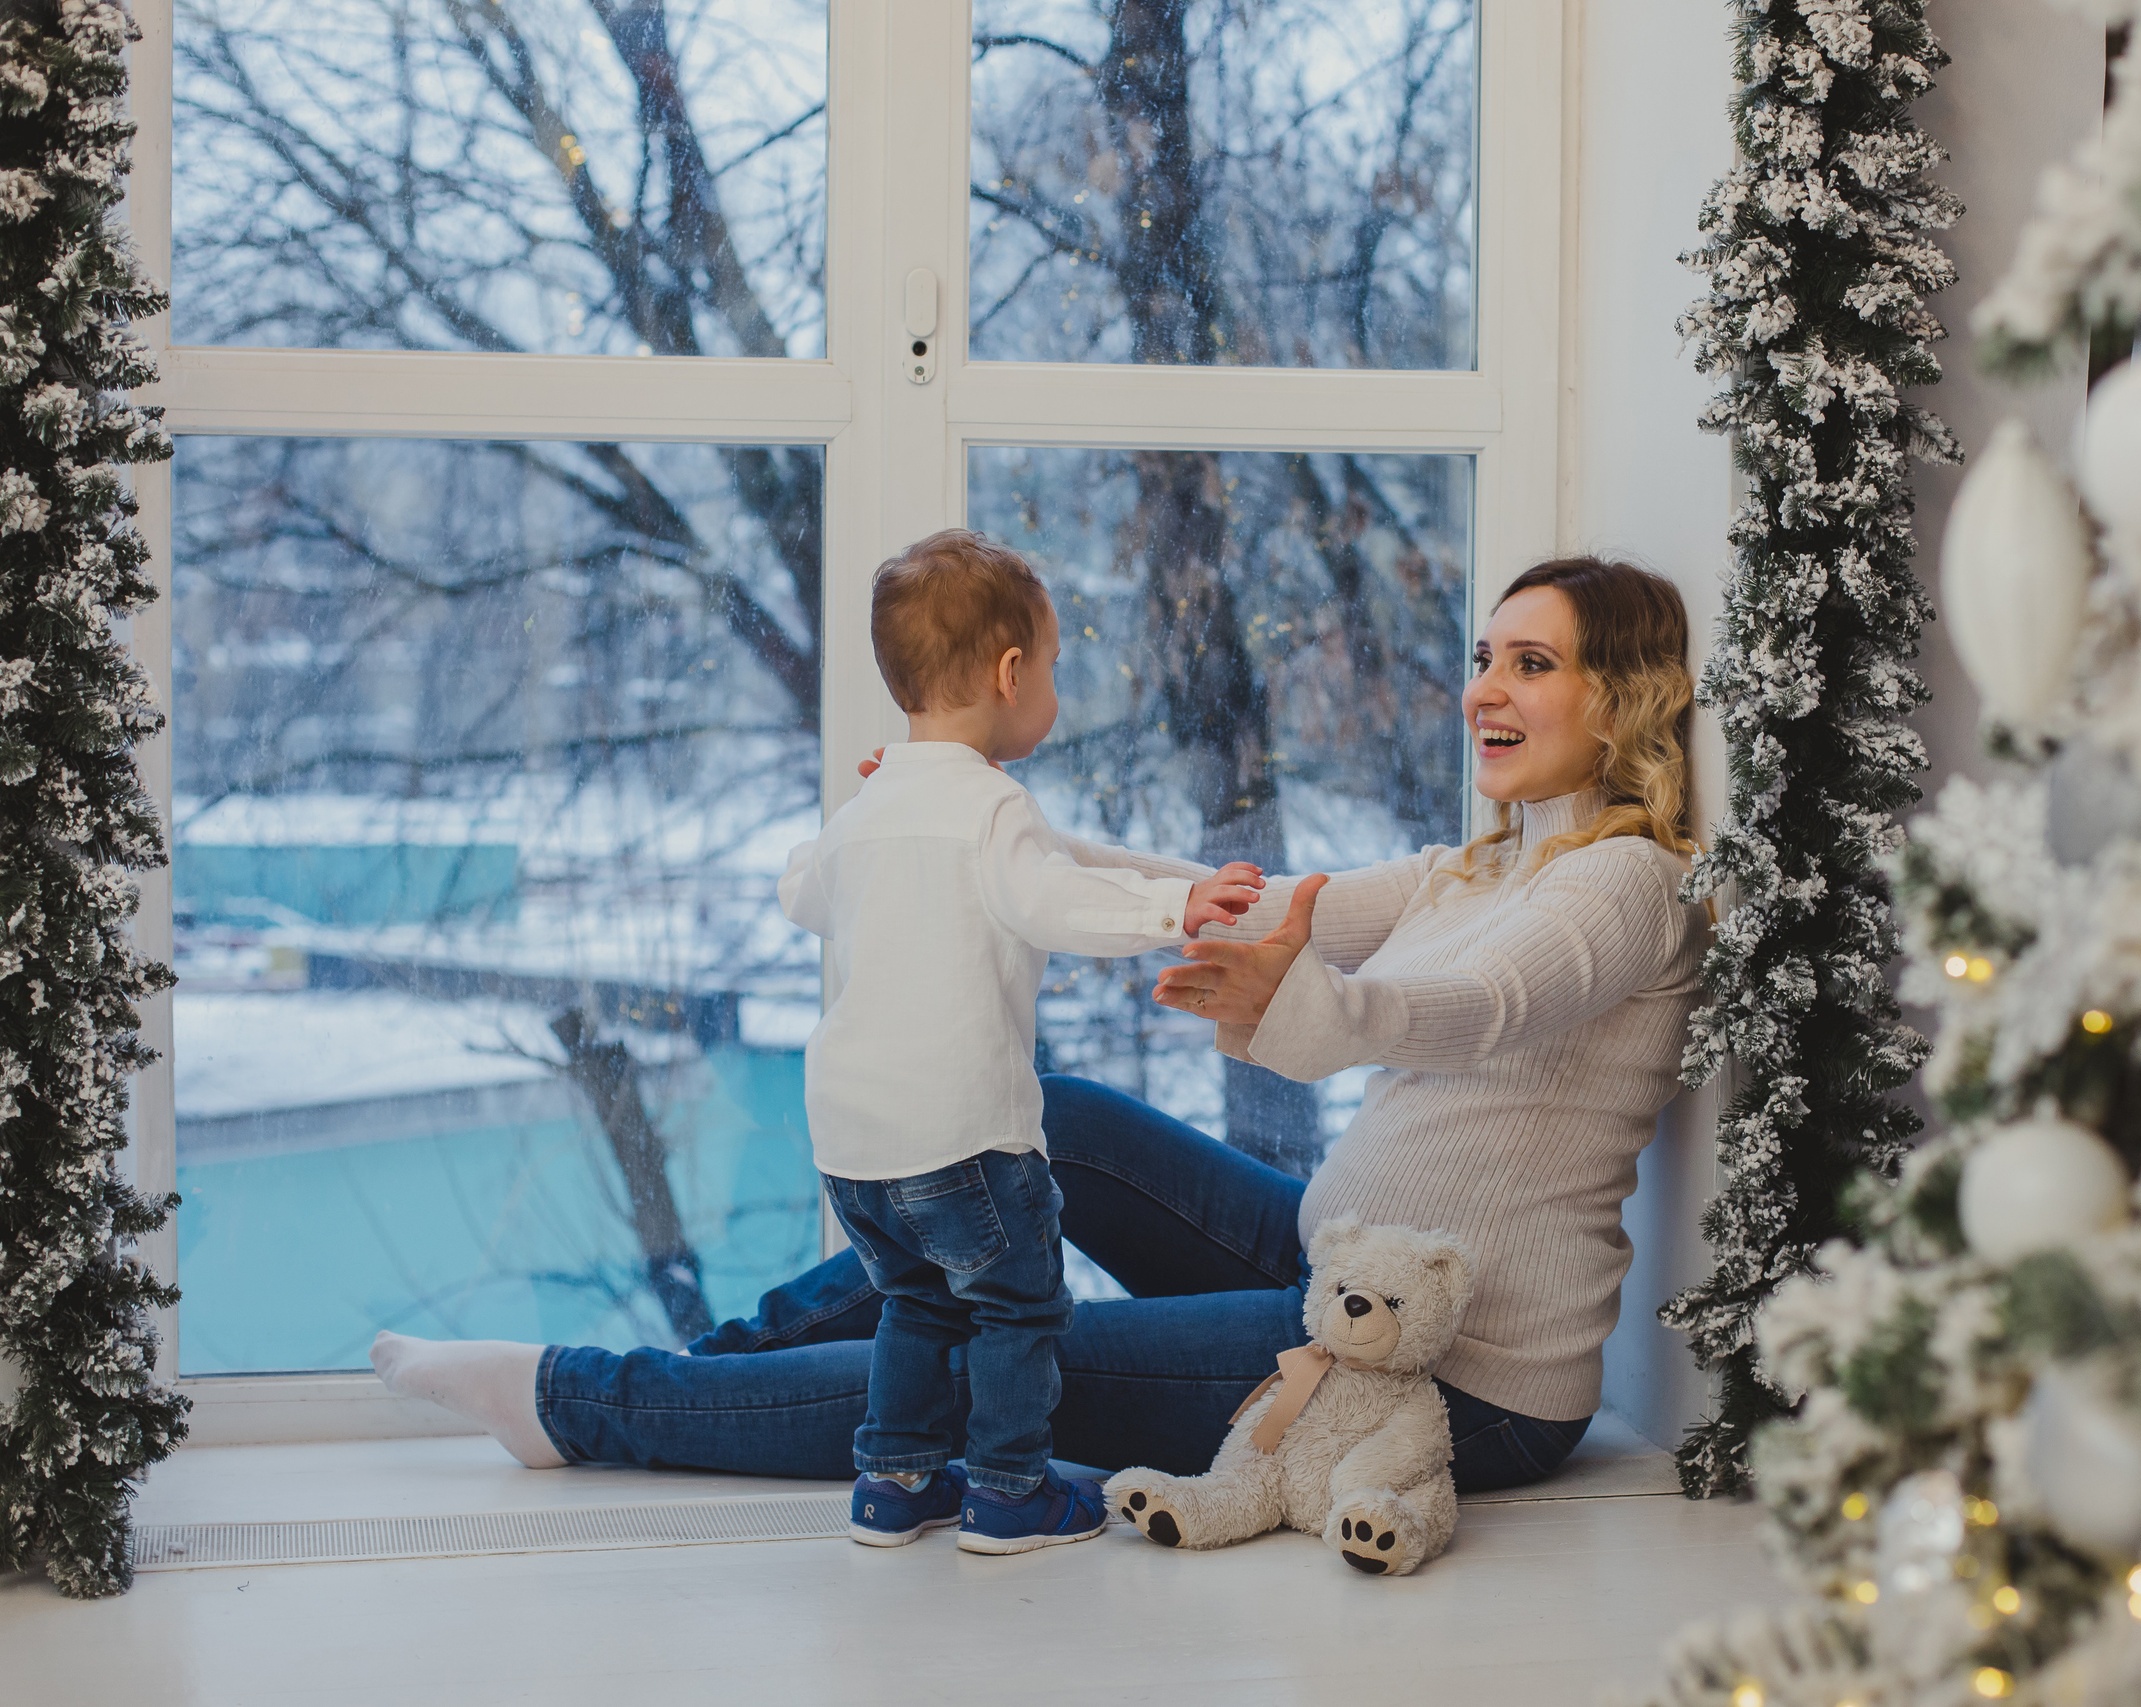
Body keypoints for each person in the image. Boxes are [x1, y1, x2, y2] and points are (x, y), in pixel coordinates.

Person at [371, 555, 1709, 1511]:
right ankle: (715, 1372)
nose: (1484, 689)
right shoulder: (1472, 870)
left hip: (1448, 1369)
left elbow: (1478, 1012)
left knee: (993, 1365)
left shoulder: (1627, 885)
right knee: (1045, 1126)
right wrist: (968, 816)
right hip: (1333, 1256)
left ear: (1623, 698)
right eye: (1483, 659)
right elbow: (1228, 898)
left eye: (1532, 665)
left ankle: (586, 1403)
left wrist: (1313, 1012)